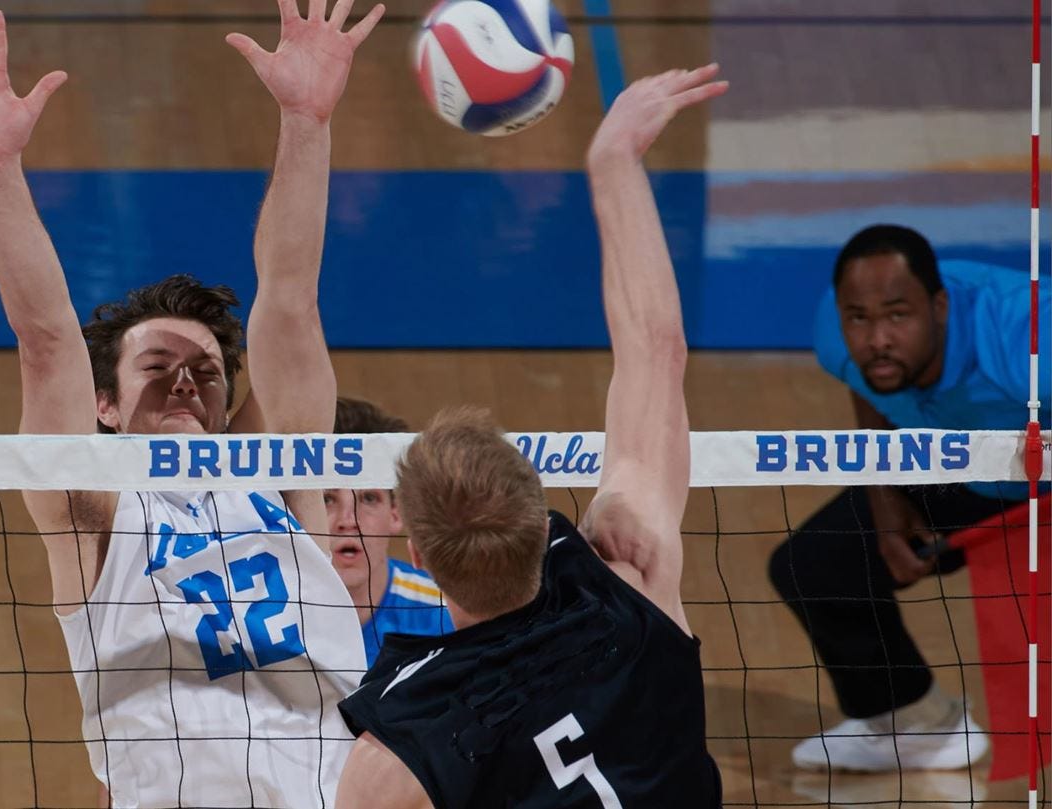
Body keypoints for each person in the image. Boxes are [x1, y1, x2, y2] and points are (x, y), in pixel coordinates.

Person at [0, 2, 384, 806]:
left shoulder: (278, 480)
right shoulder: (95, 512)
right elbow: (48, 340)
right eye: (158, 366)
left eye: (204, 369)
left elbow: (291, 301)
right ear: (104, 403)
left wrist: (307, 121)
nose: (187, 381)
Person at [334, 66, 727, 808]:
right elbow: (656, 349)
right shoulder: (625, 580)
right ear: (535, 508)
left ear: (419, 553)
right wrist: (614, 162)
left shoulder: (398, 746)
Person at [768, 224, 1050, 771]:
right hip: (958, 467)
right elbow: (869, 377)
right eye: (861, 319)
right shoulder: (838, 326)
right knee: (815, 567)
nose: (877, 339)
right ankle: (918, 725)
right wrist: (884, 495)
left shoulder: (1027, 336)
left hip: (1045, 479)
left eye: (898, 315)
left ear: (939, 306)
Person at [326, 397, 452, 664]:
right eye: (327, 499)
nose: (348, 520)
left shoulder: (447, 614)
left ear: (397, 514)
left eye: (369, 498)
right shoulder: (262, 616)